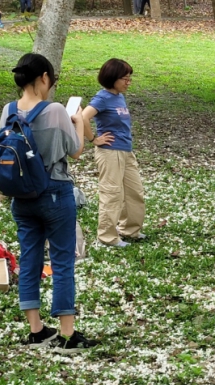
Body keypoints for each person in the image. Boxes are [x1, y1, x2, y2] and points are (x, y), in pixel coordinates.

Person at [2, 53, 98, 353]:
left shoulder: (8, 110)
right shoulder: (56, 110)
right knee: (61, 261)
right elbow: (76, 151)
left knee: (29, 259)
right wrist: (79, 122)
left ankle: (36, 330)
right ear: (44, 77)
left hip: (21, 196)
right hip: (55, 192)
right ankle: (67, 334)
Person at [81, 59, 146, 248]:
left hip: (126, 151)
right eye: (124, 78)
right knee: (112, 194)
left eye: (129, 78)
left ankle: (130, 230)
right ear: (112, 78)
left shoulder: (119, 96)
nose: (128, 82)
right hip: (110, 153)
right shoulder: (102, 98)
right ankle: (107, 237)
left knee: (135, 192)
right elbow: (84, 116)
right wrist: (93, 138)